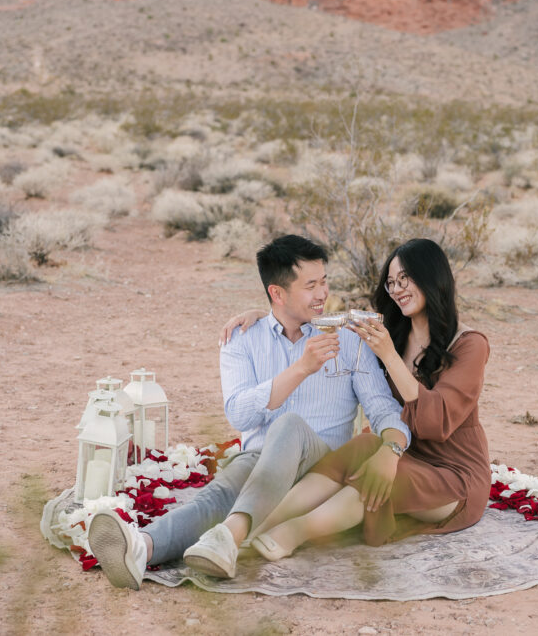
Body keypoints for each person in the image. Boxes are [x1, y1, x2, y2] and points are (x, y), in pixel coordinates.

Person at [87, 234, 411, 589]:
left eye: (324, 281)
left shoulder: (347, 340)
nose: (323, 293)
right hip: (258, 464)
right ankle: (142, 548)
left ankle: (227, 536)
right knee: (216, 496)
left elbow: (383, 408)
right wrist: (301, 369)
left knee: (288, 426)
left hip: (322, 473)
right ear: (277, 294)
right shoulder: (241, 338)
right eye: (311, 286)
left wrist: (391, 449)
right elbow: (239, 416)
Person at [231, 238, 490, 561]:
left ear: (431, 276)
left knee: (374, 478)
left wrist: (389, 356)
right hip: (405, 454)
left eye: (405, 278)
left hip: (454, 476)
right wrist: (265, 314)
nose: (397, 289)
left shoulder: (469, 345)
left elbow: (436, 422)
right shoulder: (393, 332)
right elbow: (322, 319)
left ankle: (293, 532)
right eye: (391, 282)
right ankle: (255, 525)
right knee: (362, 446)